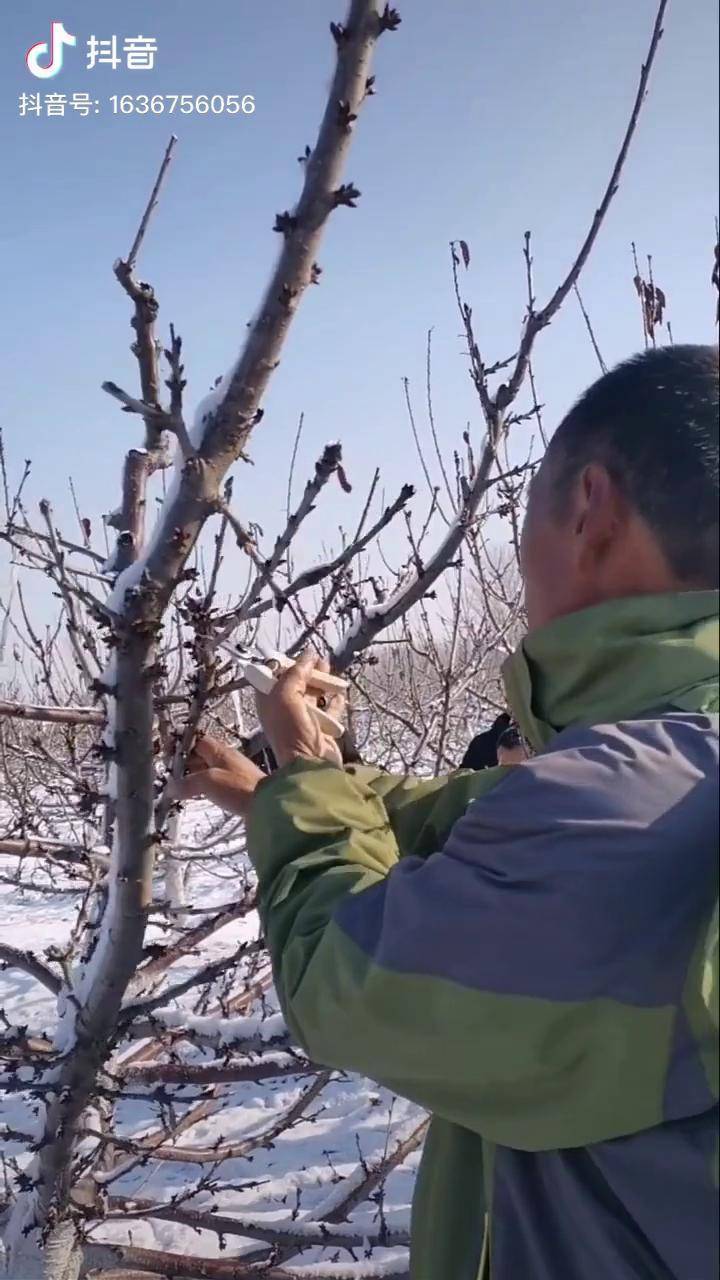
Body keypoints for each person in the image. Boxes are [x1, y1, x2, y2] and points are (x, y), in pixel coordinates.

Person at [180, 345, 719, 1280]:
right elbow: (490, 813)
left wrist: (306, 766)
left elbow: (345, 976)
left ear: (589, 510)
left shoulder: (627, 811)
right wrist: (277, 792)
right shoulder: (674, 765)